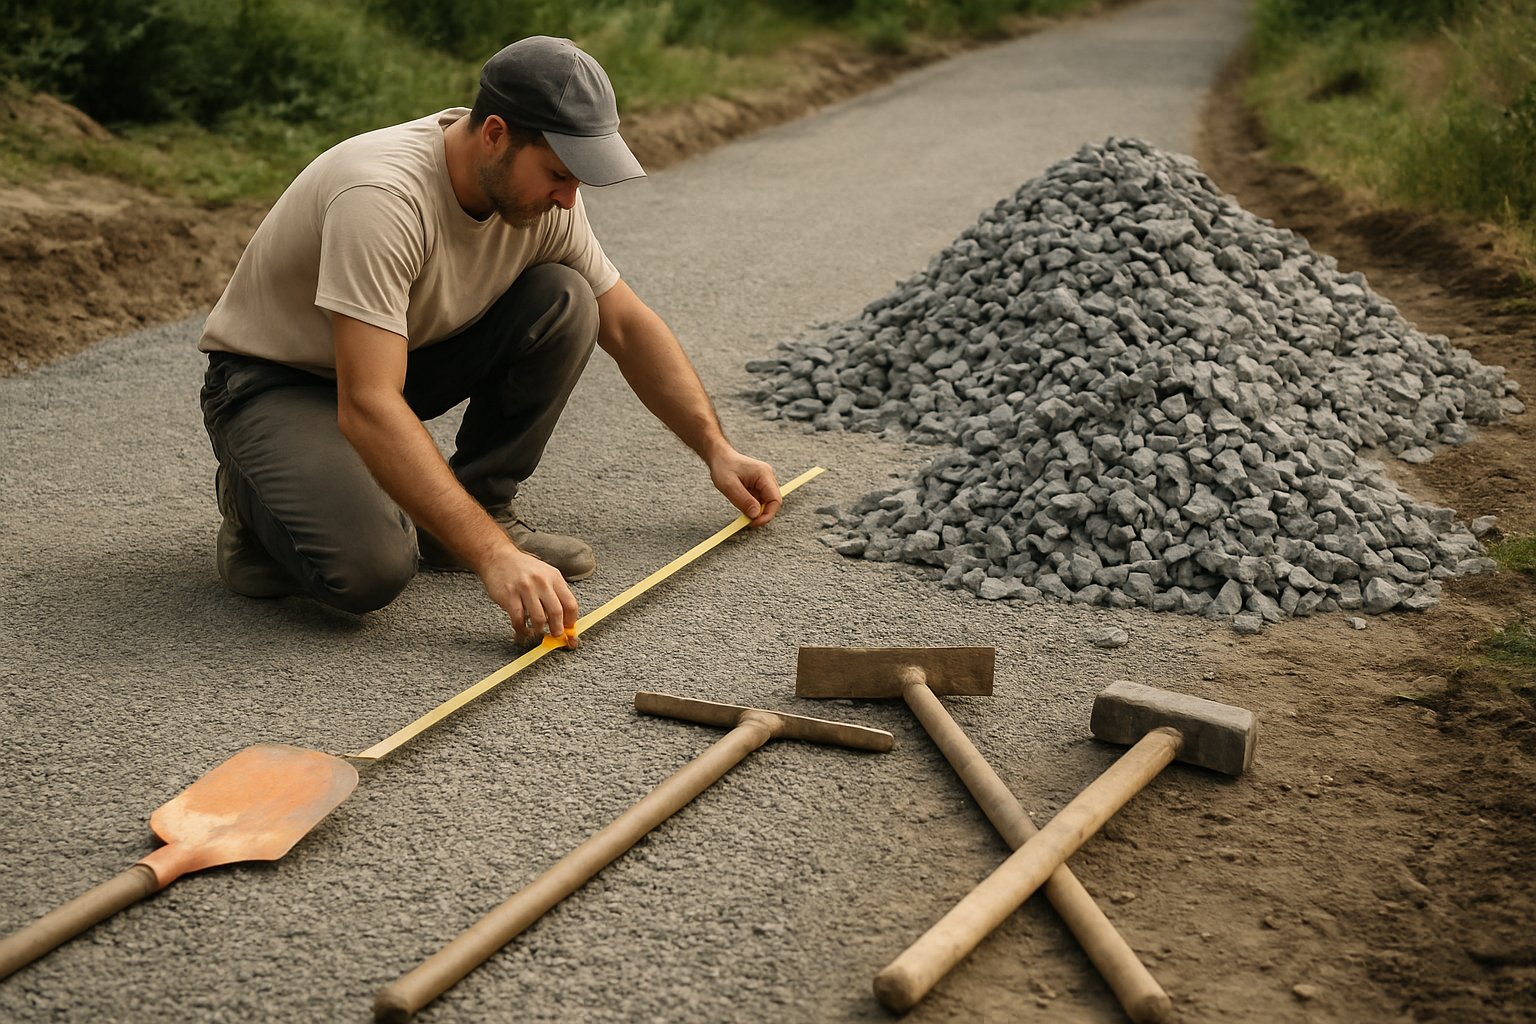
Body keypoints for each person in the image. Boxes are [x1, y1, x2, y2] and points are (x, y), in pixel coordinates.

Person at [197, 35, 781, 646]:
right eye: (558, 174)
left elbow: (628, 327)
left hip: (398, 356)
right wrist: (495, 560)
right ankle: (252, 506)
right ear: (496, 134)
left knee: (564, 298)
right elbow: (368, 403)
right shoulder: (381, 197)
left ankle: (477, 511)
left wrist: (717, 449)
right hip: (277, 384)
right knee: (370, 573)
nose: (567, 198)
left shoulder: (545, 201)